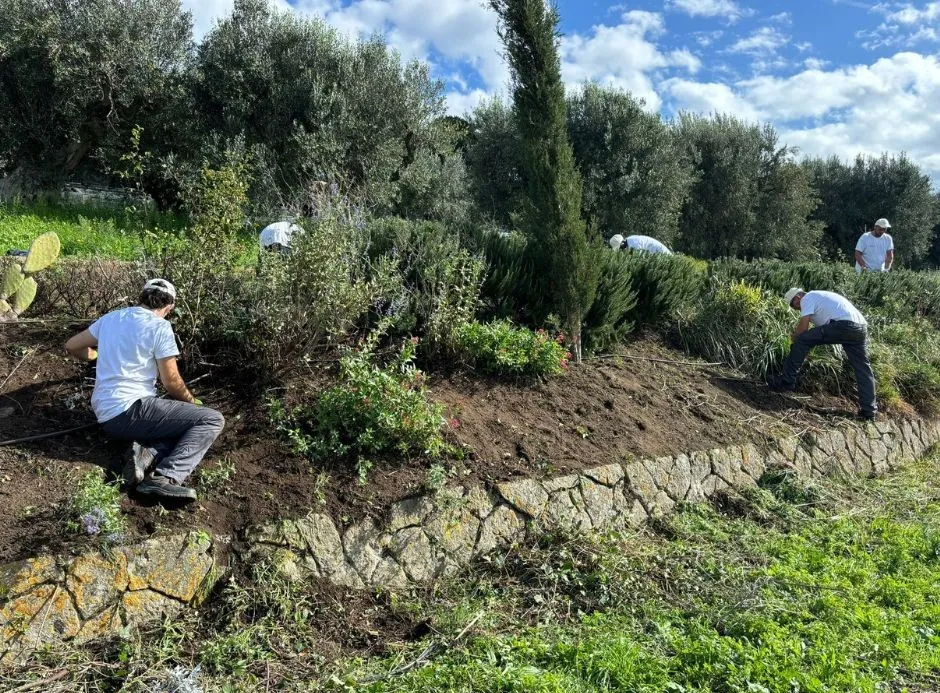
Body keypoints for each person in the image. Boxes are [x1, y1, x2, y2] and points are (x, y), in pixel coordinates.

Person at [65, 279, 224, 501]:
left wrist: (96, 356)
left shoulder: (111, 318)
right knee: (210, 420)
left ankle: (143, 456)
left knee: (179, 428)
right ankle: (164, 479)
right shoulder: (160, 326)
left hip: (106, 415)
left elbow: (72, 345)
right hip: (131, 410)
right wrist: (192, 402)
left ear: (142, 296)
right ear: (169, 307)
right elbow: (171, 382)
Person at [770, 288, 877, 421]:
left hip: (843, 325)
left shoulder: (808, 298)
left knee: (801, 339)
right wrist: (803, 350)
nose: (797, 309)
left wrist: (794, 338)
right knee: (863, 369)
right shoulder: (820, 298)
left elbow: (803, 330)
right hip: (860, 328)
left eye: (794, 306)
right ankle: (869, 411)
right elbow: (816, 334)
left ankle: (786, 382)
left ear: (797, 298)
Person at [608, 234, 673, 255]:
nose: (621, 250)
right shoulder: (629, 241)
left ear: (622, 243)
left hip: (663, 254)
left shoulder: (635, 245)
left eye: (620, 248)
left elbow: (640, 260)